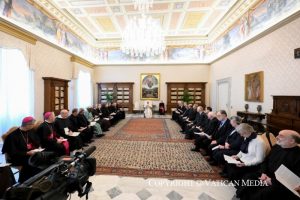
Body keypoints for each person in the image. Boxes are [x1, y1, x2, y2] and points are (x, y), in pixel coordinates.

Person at [237, 130, 300, 200]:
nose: (276, 137)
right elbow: (265, 161)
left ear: (292, 141)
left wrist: (271, 181)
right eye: (278, 135)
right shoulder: (277, 147)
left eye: (281, 136)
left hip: (279, 184)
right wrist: (263, 173)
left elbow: (294, 180)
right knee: (249, 177)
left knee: (266, 193)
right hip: (266, 175)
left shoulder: (298, 156)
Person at [2, 116, 41, 182]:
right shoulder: (13, 136)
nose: (33, 126)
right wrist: (27, 153)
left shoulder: (30, 131)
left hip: (30, 155)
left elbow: (37, 142)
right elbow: (12, 152)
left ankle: (36, 180)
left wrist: (38, 148)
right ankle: (24, 182)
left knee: (41, 158)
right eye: (32, 124)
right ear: (27, 125)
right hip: (17, 157)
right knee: (31, 162)